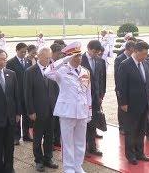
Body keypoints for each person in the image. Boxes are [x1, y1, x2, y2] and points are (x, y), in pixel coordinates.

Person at [44, 42, 92, 173]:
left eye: (80, 56)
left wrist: (89, 111)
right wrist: (63, 60)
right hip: (67, 111)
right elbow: (47, 72)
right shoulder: (61, 70)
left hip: (82, 111)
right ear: (69, 57)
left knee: (80, 141)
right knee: (67, 142)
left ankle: (78, 165)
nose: (79, 58)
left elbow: (88, 92)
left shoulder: (85, 71)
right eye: (76, 56)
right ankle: (69, 168)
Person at [24, 47, 59, 172]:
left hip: (52, 110)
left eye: (50, 57)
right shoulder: (30, 71)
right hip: (37, 112)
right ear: (39, 57)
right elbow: (27, 93)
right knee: (37, 137)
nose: (49, 60)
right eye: (47, 58)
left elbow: (56, 89)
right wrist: (31, 111)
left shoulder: (52, 69)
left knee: (50, 136)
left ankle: (48, 158)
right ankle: (38, 160)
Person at [119, 41, 149, 165]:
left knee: (141, 130)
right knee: (131, 131)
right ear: (136, 51)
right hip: (131, 104)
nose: (145, 56)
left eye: (146, 54)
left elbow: (147, 84)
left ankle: (140, 152)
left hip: (144, 104)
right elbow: (121, 86)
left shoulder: (145, 63)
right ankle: (131, 155)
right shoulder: (125, 65)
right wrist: (123, 103)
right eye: (143, 54)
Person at [6, 43, 33, 145]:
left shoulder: (28, 61)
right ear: (16, 50)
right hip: (16, 93)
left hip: (26, 93)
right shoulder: (10, 62)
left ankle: (26, 135)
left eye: (25, 52)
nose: (23, 53)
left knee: (27, 115)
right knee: (17, 115)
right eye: (21, 52)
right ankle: (16, 136)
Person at [81, 40, 104, 157]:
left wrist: (101, 95)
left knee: (93, 124)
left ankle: (92, 147)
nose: (96, 54)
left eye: (98, 52)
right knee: (83, 125)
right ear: (89, 48)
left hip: (95, 98)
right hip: (83, 98)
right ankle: (82, 149)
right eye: (94, 51)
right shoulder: (80, 60)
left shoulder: (100, 61)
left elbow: (101, 80)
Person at [114, 41, 136, 135]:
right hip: (121, 88)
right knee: (122, 108)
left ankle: (129, 125)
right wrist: (119, 89)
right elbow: (117, 76)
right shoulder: (120, 59)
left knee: (130, 107)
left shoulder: (133, 58)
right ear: (129, 49)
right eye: (133, 49)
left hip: (131, 89)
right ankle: (122, 126)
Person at [49, 43, 65, 150]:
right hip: (50, 95)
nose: (60, 56)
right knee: (51, 121)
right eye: (59, 53)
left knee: (58, 119)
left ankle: (57, 140)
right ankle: (51, 141)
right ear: (53, 53)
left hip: (59, 94)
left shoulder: (61, 63)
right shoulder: (48, 63)